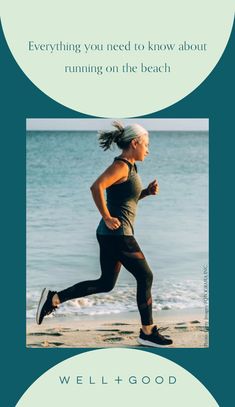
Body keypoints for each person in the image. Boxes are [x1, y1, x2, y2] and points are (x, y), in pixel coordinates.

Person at [36, 121, 173, 347]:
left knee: (106, 283)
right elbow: (96, 187)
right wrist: (107, 216)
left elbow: (125, 201)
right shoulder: (121, 166)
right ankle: (147, 332)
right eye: (146, 144)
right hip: (118, 235)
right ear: (135, 143)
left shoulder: (130, 167)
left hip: (112, 235)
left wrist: (146, 192)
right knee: (145, 276)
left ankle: (53, 298)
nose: (148, 149)